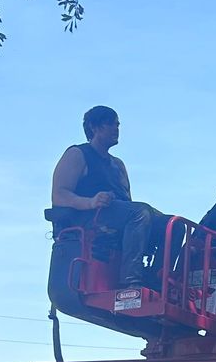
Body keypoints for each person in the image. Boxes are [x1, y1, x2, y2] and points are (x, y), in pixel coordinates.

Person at [51, 106, 167, 289]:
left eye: (117, 124)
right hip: (89, 218)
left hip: (119, 216)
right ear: (94, 127)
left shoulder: (118, 165)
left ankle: (156, 279)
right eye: (110, 124)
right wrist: (90, 202)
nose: (116, 128)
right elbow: (59, 195)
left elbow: (128, 204)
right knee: (140, 213)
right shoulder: (78, 154)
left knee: (172, 226)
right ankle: (130, 281)